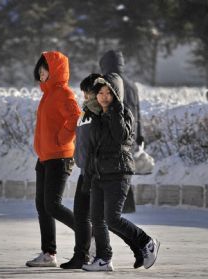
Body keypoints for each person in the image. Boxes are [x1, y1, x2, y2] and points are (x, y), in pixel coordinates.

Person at [60, 74, 144, 270]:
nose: (87, 97)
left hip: (96, 171)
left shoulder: (100, 113)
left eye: (89, 93)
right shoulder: (88, 111)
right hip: (87, 170)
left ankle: (132, 247)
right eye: (86, 93)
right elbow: (81, 140)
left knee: (103, 219)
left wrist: (90, 167)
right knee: (94, 218)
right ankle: (87, 254)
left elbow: (102, 142)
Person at [81, 74, 160, 272]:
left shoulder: (123, 113)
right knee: (97, 219)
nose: (104, 96)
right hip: (99, 174)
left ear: (117, 94)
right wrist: (88, 177)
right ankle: (104, 258)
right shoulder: (96, 116)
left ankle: (146, 242)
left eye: (109, 92)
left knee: (113, 218)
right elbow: (92, 150)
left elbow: (120, 137)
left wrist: (114, 110)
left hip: (118, 172)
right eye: (100, 93)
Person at [25, 51, 81, 268]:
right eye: (39, 69)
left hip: (60, 157)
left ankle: (90, 235)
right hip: (45, 157)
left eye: (45, 68)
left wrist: (62, 138)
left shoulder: (63, 93)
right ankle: (49, 253)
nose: (41, 73)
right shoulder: (47, 94)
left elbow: (76, 117)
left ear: (56, 70)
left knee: (53, 205)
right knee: (42, 205)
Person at [99, 50, 144, 212]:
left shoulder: (107, 84)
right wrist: (140, 136)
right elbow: (138, 112)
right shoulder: (132, 86)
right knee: (123, 170)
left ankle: (115, 208)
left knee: (111, 172)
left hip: (112, 136)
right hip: (129, 136)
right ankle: (125, 205)